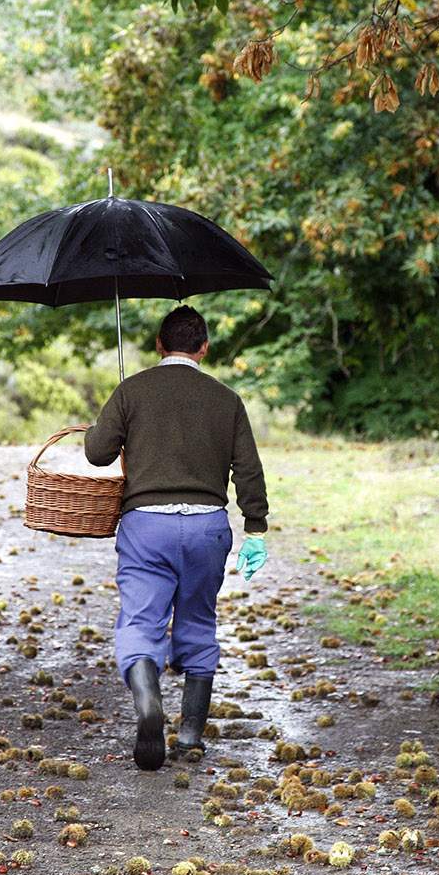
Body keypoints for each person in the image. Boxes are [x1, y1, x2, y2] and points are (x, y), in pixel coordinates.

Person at [84, 305, 269, 771]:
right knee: (198, 622)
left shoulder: (133, 390)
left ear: (160, 347)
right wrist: (256, 527)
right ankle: (189, 738)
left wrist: (104, 427)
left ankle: (149, 708)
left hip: (148, 526)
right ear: (204, 348)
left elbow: (97, 454)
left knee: (140, 623)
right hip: (207, 526)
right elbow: (247, 468)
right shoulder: (226, 399)